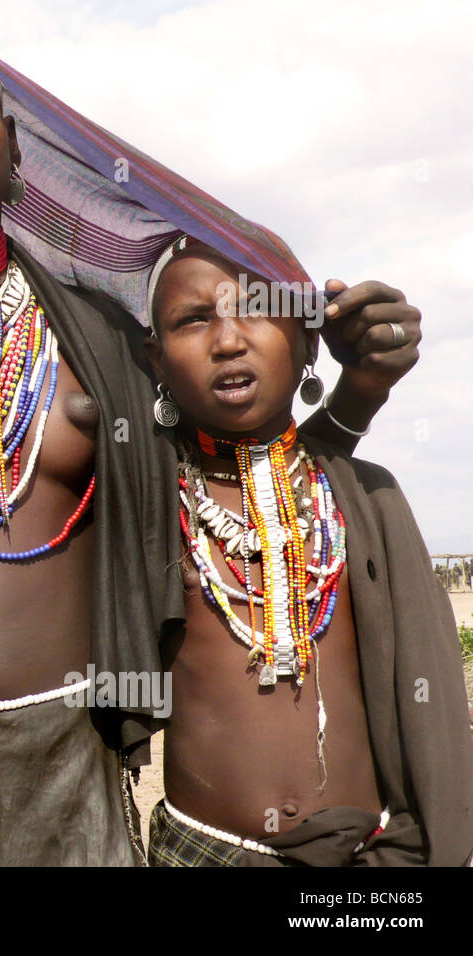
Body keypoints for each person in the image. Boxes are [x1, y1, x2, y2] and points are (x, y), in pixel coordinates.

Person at [0, 29, 421, 867]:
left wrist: (360, 388)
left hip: (71, 760)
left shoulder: (104, 348)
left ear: (16, 144)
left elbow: (251, 469)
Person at [143, 237, 473, 865]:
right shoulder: (152, 503)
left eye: (258, 310)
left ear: (308, 343)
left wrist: (366, 385)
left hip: (373, 856)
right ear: (155, 359)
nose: (229, 340)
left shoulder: (361, 497)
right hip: (204, 851)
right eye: (194, 319)